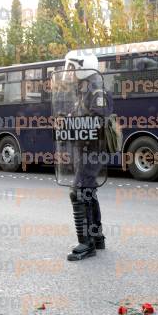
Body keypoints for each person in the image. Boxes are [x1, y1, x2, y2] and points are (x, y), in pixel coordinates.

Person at [58, 52, 112, 261]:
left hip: (94, 150)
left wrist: (74, 123)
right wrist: (66, 120)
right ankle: (97, 237)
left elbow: (97, 122)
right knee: (88, 191)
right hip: (85, 150)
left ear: (83, 68)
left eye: (72, 68)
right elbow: (81, 118)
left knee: (78, 192)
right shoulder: (85, 91)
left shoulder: (97, 91)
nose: (69, 73)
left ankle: (86, 242)